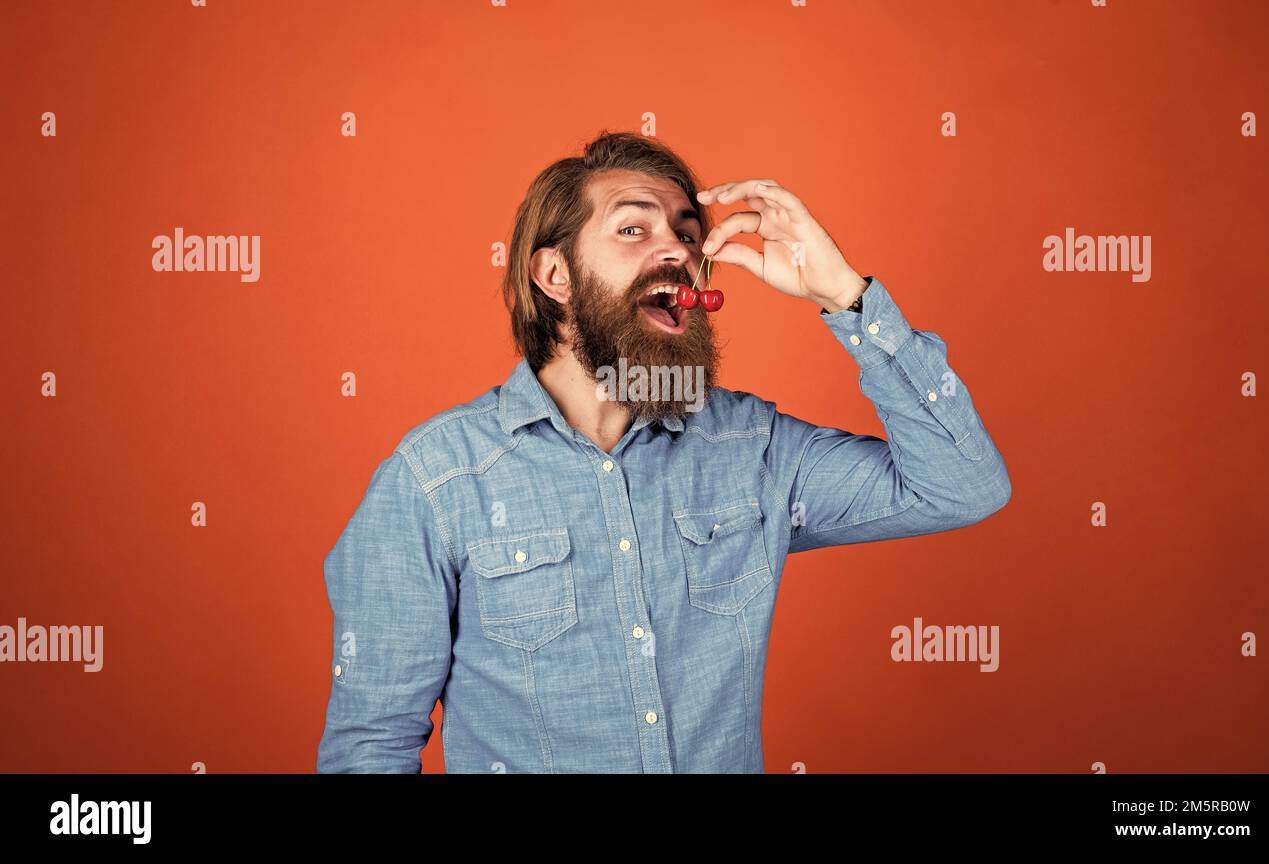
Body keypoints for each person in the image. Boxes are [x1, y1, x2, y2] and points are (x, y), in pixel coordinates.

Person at [315, 131, 1011, 773]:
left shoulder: (751, 449)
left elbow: (960, 486)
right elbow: (371, 744)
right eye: (632, 227)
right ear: (554, 276)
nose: (677, 250)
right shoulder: (436, 480)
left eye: (686, 232)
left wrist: (845, 295)